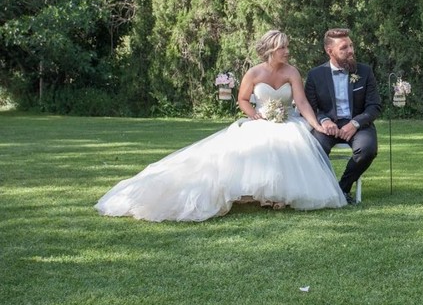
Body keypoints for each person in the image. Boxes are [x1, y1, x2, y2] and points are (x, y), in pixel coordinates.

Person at [95, 30, 347, 222]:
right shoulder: (254, 73)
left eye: (287, 47)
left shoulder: (292, 72)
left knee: (289, 143)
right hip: (260, 120)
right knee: (252, 147)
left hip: (286, 122)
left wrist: (315, 124)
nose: (287, 51)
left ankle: (277, 198)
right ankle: (254, 195)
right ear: (272, 50)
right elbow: (242, 99)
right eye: (283, 48)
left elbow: (301, 102)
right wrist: (255, 116)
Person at [305, 28, 381, 204]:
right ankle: (323, 189)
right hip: (327, 125)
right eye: (344, 48)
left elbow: (374, 106)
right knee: (314, 149)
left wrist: (355, 123)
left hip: (358, 123)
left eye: (351, 46)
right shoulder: (315, 75)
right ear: (329, 51)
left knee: (367, 150)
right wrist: (323, 120)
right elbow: (308, 106)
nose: (351, 51)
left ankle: (342, 188)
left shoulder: (365, 71)